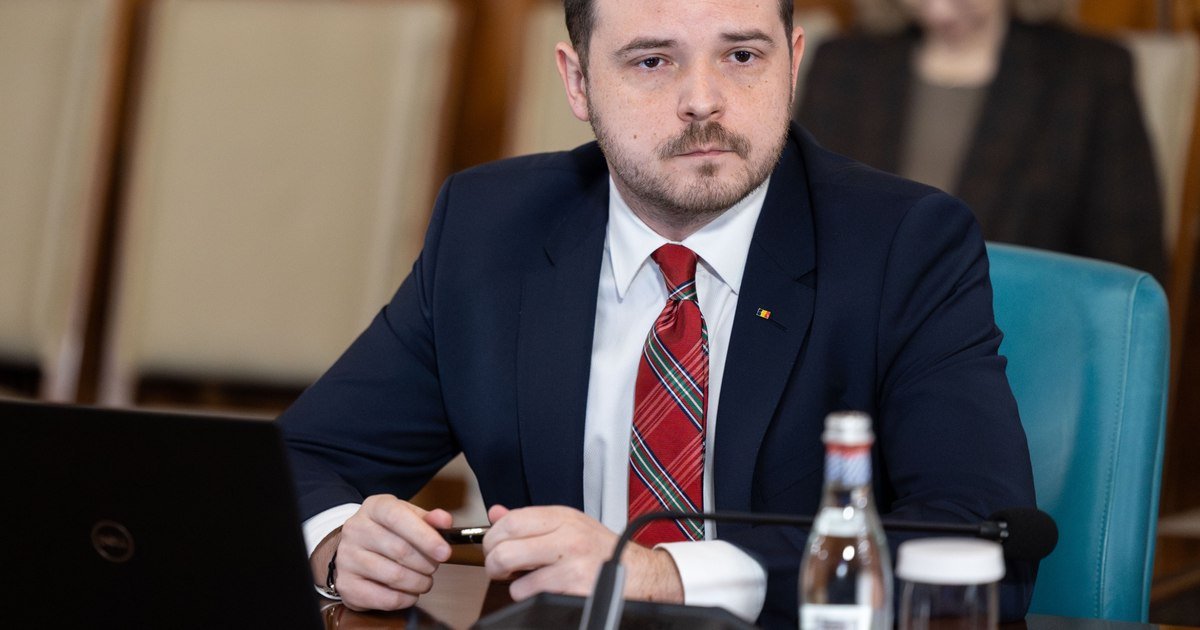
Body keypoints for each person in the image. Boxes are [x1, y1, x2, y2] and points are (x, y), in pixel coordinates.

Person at [278, 0, 1038, 626]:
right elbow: (302, 461)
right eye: (652, 61)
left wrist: (666, 577)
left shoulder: (902, 246)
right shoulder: (491, 231)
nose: (703, 99)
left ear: (794, 62)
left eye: (742, 55)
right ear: (577, 82)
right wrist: (340, 545)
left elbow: (980, 542)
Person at [797, 0, 1166, 282]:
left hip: (1020, 341)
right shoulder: (841, 64)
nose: (939, 7)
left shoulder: (1091, 76)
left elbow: (1127, 265)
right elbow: (798, 229)